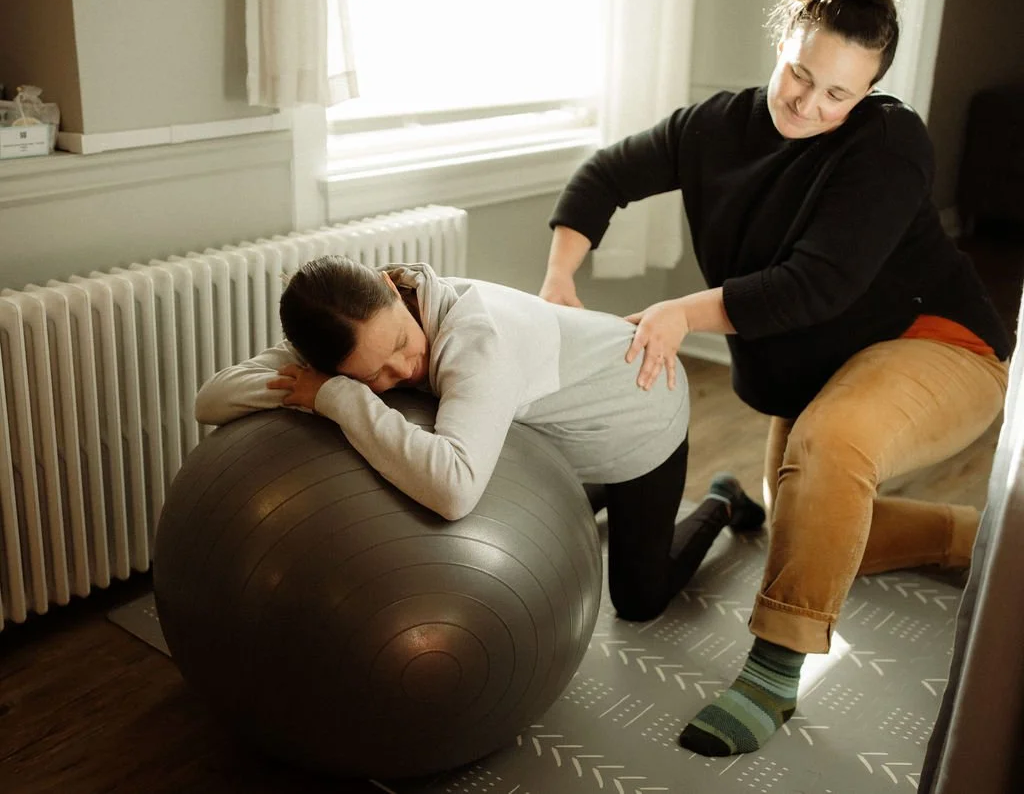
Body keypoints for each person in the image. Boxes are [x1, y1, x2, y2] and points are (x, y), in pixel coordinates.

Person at [539, 0, 1011, 758]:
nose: (809, 103)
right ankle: (976, 539)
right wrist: (560, 276)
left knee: (831, 447)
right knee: (806, 522)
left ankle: (775, 671)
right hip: (825, 365)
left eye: (838, 93)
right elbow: (606, 176)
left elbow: (814, 285)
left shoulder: (889, 145)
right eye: (800, 74)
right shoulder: (716, 126)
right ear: (782, 45)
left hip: (941, 342)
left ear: (869, 92)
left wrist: (679, 312)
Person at [194, 257, 765, 626]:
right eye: (374, 374)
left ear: (393, 287)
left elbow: (454, 491)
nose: (404, 368)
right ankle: (600, 495)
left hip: (643, 406)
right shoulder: (351, 331)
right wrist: (324, 384)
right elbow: (211, 400)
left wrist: (340, 397)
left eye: (400, 343)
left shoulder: (477, 342)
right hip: (561, 424)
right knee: (548, 507)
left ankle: (722, 498)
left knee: (640, 601)